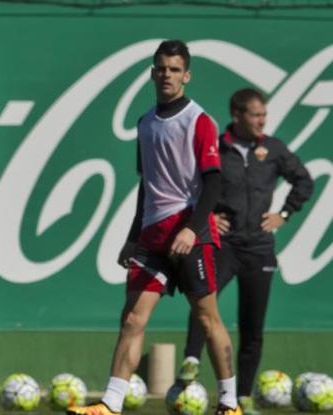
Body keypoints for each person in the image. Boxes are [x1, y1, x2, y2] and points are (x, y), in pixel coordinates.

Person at [67, 40, 241, 415]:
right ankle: (111, 402)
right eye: (161, 68)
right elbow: (148, 185)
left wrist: (193, 229)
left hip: (189, 233)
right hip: (151, 237)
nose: (167, 75)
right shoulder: (145, 122)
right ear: (152, 73)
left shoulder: (199, 120)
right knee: (132, 318)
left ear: (187, 75)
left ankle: (229, 402)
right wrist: (132, 238)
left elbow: (213, 183)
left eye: (175, 69)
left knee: (208, 318)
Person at [177, 88, 313, 415]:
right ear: (237, 115)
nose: (261, 121)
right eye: (255, 115)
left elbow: (304, 181)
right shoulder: (217, 148)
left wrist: (285, 214)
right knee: (204, 301)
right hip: (224, 245)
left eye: (264, 115)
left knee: (252, 326)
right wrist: (208, 216)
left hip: (259, 248)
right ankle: (192, 361)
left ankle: (243, 397)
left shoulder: (273, 148)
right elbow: (191, 185)